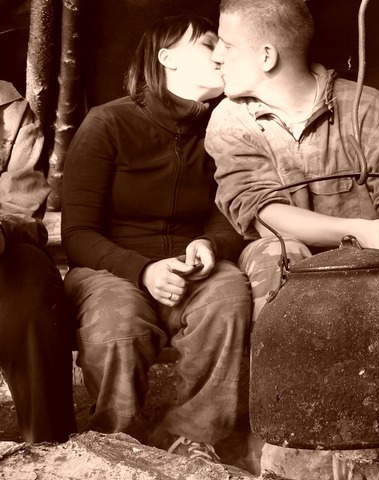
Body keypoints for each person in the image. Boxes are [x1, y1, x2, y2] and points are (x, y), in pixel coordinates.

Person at [205, 1, 379, 478]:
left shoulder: (367, 106)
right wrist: (358, 231)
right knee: (272, 255)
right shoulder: (231, 121)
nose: (216, 55)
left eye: (227, 44)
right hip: (298, 262)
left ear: (267, 56)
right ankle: (286, 447)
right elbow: (262, 211)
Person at [61, 15, 252, 464]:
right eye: (207, 44)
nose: (221, 54)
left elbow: (227, 216)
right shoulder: (107, 122)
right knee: (118, 323)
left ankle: (193, 438)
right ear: (167, 58)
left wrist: (210, 246)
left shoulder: (223, 128)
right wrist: (143, 271)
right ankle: (117, 442)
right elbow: (78, 235)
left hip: (189, 268)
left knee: (228, 296)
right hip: (109, 269)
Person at [0, 79, 77, 443]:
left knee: (31, 280)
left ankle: (49, 444)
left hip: (3, 246)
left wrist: (1, 228)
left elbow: (21, 203)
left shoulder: (9, 110)